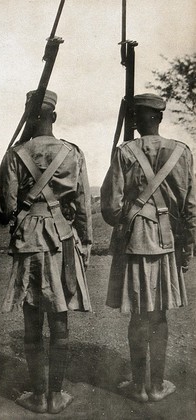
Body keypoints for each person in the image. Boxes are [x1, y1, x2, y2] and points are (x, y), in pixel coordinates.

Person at [0, 90, 93, 414]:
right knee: (60, 318)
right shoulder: (72, 153)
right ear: (54, 116)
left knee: (33, 320)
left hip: (30, 241)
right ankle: (56, 396)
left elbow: (6, 209)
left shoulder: (15, 154)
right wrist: (86, 245)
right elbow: (83, 207)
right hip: (63, 239)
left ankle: (38, 396)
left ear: (29, 116)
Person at [101, 93, 196, 403]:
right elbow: (190, 206)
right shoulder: (182, 151)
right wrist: (188, 246)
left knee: (138, 317)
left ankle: (139, 386)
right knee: (160, 317)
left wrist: (131, 209)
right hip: (168, 241)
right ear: (160, 117)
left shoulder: (125, 152)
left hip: (135, 241)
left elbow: (111, 209)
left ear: (136, 120)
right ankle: (156, 386)